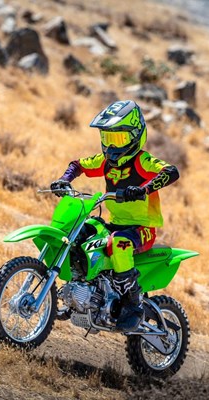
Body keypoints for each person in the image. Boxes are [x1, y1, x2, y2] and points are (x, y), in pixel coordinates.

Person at [50, 100, 179, 331]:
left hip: (142, 228)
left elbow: (170, 171)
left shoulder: (142, 161)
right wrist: (64, 179)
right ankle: (79, 291)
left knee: (119, 243)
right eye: (107, 138)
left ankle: (133, 304)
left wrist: (144, 189)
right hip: (116, 223)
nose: (111, 145)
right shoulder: (106, 162)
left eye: (118, 138)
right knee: (83, 231)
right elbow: (78, 165)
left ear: (135, 136)